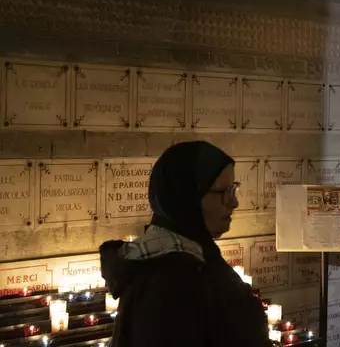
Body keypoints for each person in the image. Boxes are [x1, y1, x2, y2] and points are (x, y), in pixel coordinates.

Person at [100, 141, 270, 347]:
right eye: (223, 192)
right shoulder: (171, 284)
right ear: (187, 196)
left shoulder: (191, 260)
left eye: (233, 189)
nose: (234, 203)